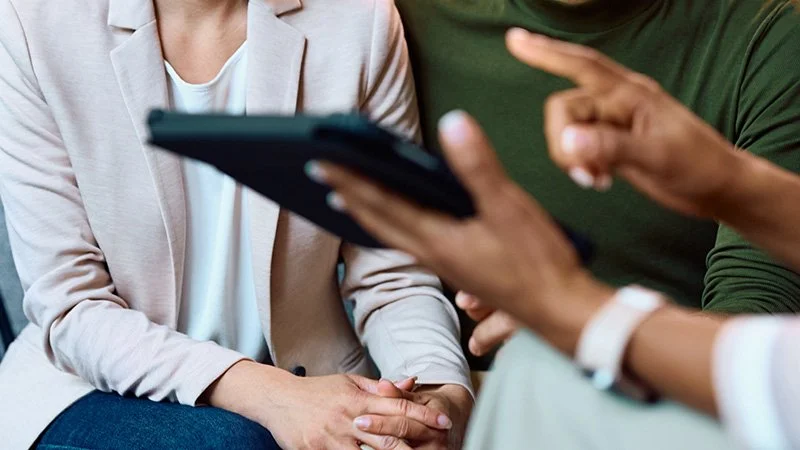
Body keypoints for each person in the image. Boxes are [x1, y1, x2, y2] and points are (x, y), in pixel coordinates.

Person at [0, 0, 473, 448]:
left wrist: (438, 398)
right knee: (235, 443)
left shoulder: (359, 19)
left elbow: (392, 273)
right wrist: (273, 396)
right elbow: (71, 304)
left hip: (308, 386)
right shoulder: (33, 21)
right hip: (88, 387)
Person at [310, 31, 800, 449]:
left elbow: (768, 362)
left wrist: (573, 312)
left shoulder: (766, 39)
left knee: (535, 368)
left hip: (660, 395)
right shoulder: (402, 24)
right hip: (471, 387)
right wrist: (730, 180)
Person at [390, 0, 800, 361]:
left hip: (666, 409)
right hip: (461, 399)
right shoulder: (394, 19)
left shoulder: (768, 37)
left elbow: (758, 331)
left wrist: (589, 327)